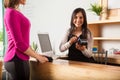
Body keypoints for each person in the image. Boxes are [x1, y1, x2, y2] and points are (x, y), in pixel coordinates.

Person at [4, 0, 48, 80]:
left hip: (17, 59)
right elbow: (20, 44)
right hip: (17, 59)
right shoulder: (11, 13)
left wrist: (36, 54)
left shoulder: (14, 12)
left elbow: (24, 42)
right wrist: (38, 57)